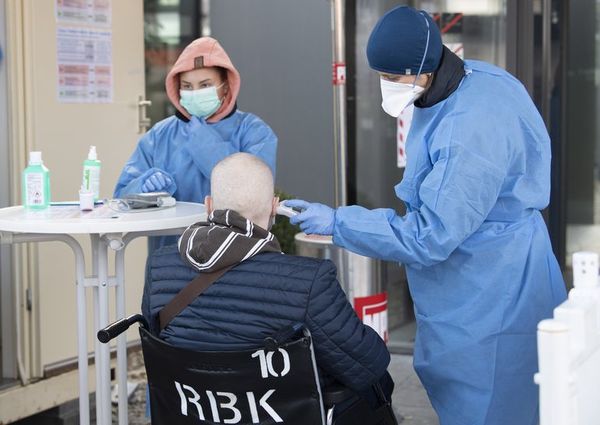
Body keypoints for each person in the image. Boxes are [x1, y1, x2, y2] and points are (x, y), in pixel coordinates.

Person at [286, 6, 566, 425]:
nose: (387, 87)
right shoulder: (476, 78)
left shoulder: (467, 134)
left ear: (425, 68)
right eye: (382, 76)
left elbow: (429, 236)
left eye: (394, 78)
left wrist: (340, 223)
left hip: (489, 285)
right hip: (494, 263)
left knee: (492, 401)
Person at [142, 153, 394, 419]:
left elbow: (161, 344)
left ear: (208, 206)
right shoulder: (308, 281)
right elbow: (368, 364)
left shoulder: (159, 267)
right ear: (274, 207)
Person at [114, 37, 277, 254]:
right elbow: (121, 198)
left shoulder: (255, 133)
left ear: (226, 87)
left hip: (237, 257)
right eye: (187, 87)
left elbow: (254, 196)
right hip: (171, 255)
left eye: (205, 85)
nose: (196, 93)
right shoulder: (159, 136)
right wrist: (142, 188)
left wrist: (205, 144)